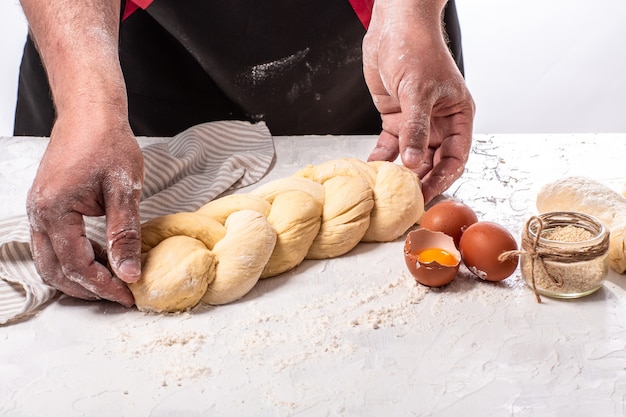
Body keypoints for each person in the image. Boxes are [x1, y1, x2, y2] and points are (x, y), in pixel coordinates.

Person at [14, 0, 475, 307]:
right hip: (117, 48)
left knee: (383, 178)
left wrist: (410, 16)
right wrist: (87, 104)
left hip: (371, 50)